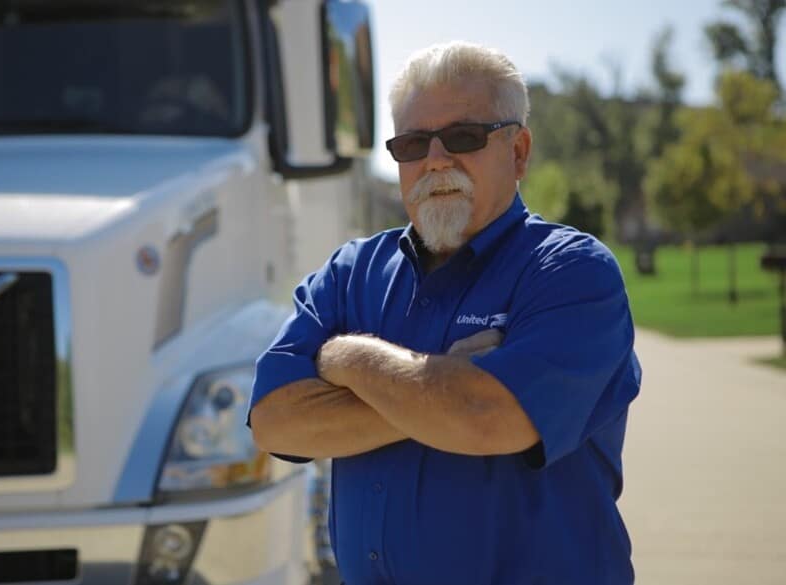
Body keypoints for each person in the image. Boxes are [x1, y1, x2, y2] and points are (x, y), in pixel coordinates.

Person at [247, 41, 641, 585]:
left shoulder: (572, 272)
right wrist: (446, 395)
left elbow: (491, 420)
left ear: (519, 152)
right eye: (412, 144)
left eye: (463, 137)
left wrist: (346, 357)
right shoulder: (351, 271)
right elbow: (275, 422)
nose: (435, 159)